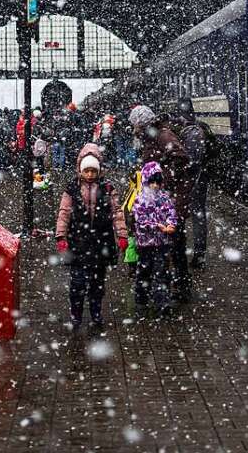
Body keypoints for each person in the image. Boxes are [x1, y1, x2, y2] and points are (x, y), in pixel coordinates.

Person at [55, 143, 128, 331]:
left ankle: (96, 312)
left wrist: (121, 234)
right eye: (86, 171)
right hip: (78, 241)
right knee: (77, 283)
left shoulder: (107, 187)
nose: (89, 175)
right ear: (81, 170)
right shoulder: (72, 188)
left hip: (101, 242)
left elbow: (117, 212)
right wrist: (61, 236)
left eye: (92, 171)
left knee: (97, 282)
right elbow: (64, 213)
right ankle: (76, 314)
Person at [128, 104, 195, 302]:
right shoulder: (153, 135)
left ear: (142, 124)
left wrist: (161, 178)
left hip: (172, 202)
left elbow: (182, 159)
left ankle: (181, 289)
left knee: (176, 246)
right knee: (170, 246)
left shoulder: (162, 135)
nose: (135, 130)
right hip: (164, 201)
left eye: (136, 125)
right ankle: (173, 287)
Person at [174, 99, 218, 270]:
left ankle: (181, 252)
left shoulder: (181, 129)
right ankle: (199, 254)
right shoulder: (204, 127)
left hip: (188, 178)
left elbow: (184, 159)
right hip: (203, 176)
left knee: (180, 213)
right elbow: (214, 151)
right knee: (199, 214)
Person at [132, 161, 177, 316]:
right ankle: (141, 302)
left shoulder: (165, 198)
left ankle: (162, 303)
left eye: (158, 182)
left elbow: (172, 213)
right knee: (144, 272)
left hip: (162, 243)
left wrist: (171, 224)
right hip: (146, 244)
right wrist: (157, 226)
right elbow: (140, 220)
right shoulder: (140, 200)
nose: (155, 186)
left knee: (162, 272)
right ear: (146, 181)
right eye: (152, 182)